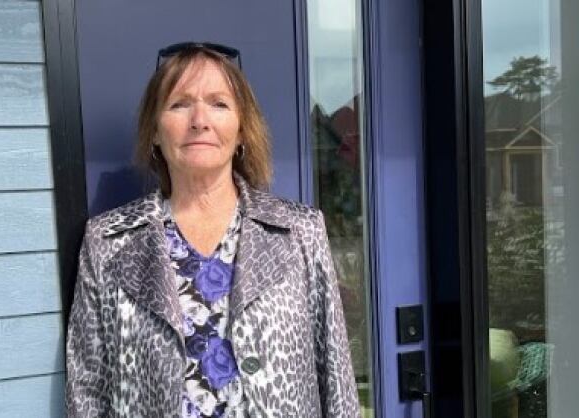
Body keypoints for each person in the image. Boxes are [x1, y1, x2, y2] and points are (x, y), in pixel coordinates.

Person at [65, 42, 360, 418]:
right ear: (155, 131)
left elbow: (336, 375)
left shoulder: (300, 232)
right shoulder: (108, 242)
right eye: (179, 103)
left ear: (241, 130)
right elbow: (86, 389)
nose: (200, 120)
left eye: (219, 104)